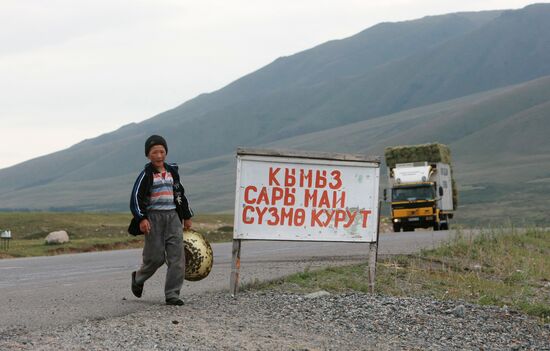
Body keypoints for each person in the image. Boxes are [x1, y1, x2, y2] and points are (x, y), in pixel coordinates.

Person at [129, 135, 193, 306]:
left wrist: (187, 216)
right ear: (148, 155)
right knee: (155, 257)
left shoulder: (172, 172)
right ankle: (138, 278)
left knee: (177, 258)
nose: (159, 155)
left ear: (166, 152)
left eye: (162, 151)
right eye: (154, 152)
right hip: (154, 219)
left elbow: (180, 195)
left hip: (173, 217)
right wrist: (142, 218)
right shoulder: (145, 175)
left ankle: (172, 294)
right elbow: (135, 198)